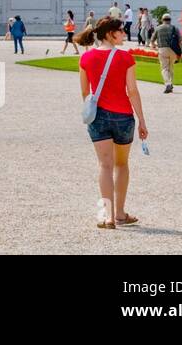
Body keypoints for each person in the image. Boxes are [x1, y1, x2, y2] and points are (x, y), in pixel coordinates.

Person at [77, 16, 147, 229]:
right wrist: (142, 120)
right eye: (121, 31)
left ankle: (107, 216)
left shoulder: (86, 58)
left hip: (99, 116)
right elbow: (132, 91)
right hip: (123, 116)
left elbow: (85, 92)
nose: (124, 34)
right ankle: (120, 213)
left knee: (104, 166)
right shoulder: (125, 58)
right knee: (121, 164)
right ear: (110, 34)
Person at [156, 13, 182, 93]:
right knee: (171, 67)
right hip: (173, 50)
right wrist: (179, 53)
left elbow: (152, 39)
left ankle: (168, 84)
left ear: (162, 20)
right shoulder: (175, 28)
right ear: (170, 20)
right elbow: (180, 41)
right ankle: (171, 83)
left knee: (164, 68)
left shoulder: (158, 28)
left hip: (162, 49)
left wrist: (153, 45)